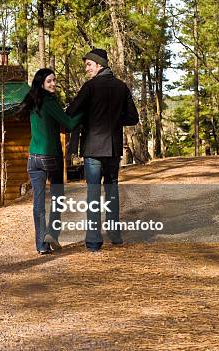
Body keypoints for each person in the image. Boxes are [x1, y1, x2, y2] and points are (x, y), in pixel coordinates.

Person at [67, 49, 139, 252]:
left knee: (92, 193)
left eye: (89, 65)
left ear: (99, 65)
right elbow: (133, 117)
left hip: (92, 148)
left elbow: (72, 111)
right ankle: (115, 236)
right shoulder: (121, 87)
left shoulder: (90, 87)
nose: (86, 69)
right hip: (113, 149)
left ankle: (93, 241)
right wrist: (115, 120)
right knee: (112, 191)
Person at [22, 68, 83, 255]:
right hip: (50, 157)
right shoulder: (49, 102)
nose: (53, 84)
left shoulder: (32, 101)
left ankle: (41, 245)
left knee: (38, 203)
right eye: (49, 81)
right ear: (42, 83)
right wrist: (84, 112)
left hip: (33, 158)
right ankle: (52, 235)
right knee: (57, 197)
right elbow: (70, 124)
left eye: (54, 80)